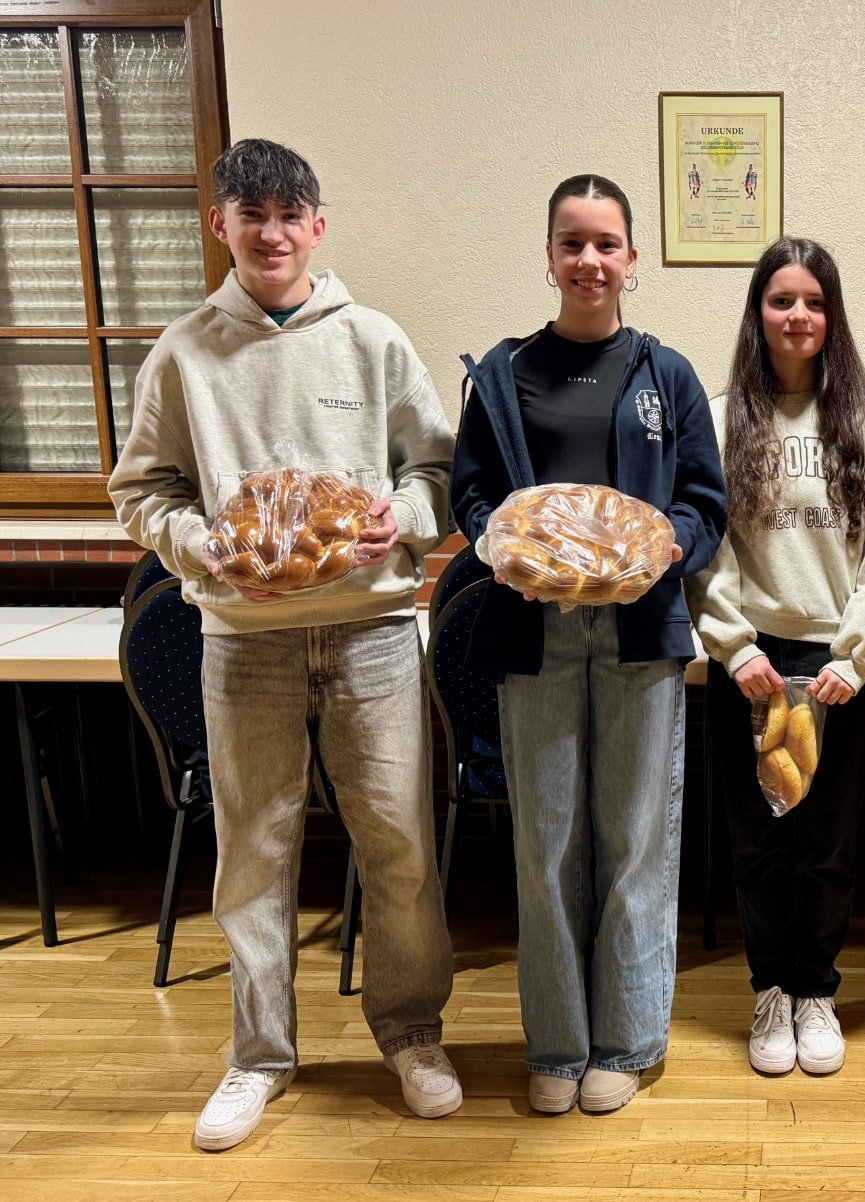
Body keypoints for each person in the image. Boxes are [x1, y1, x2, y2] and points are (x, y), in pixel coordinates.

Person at [108, 138, 461, 1151]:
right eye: (248, 213)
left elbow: (433, 470)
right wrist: (200, 543)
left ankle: (412, 1033)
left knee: (398, 844)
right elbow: (143, 492)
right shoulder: (182, 353)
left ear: (317, 225)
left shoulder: (375, 340)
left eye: (288, 213)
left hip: (374, 633)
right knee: (252, 854)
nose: (270, 232)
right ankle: (259, 1055)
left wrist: (404, 514)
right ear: (222, 224)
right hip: (243, 639)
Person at [450, 174, 727, 1115]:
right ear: (550, 254)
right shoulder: (503, 373)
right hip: (535, 631)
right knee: (548, 841)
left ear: (633, 259)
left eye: (607, 244)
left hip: (641, 629)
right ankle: (559, 1043)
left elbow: (705, 507)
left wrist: (665, 552)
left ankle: (630, 1037)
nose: (589, 261)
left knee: (639, 840)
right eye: (572, 243)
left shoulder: (669, 375)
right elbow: (472, 497)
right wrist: (503, 543)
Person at [687, 237, 865, 1076]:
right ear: (759, 313)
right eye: (782, 300)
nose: (798, 316)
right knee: (758, 838)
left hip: (836, 666)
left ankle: (816, 989)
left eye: (814, 301)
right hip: (755, 665)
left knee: (825, 839)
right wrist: (734, 644)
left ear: (832, 315)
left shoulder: (862, 425)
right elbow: (708, 546)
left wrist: (855, 655)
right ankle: (769, 990)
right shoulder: (719, 419)